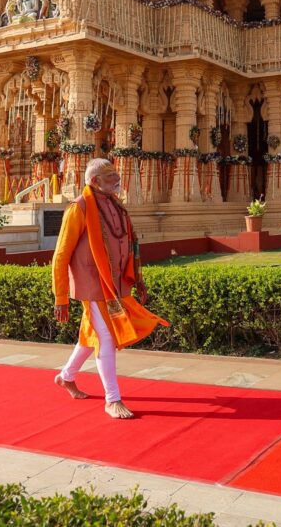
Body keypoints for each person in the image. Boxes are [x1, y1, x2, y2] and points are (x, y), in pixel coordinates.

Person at [52, 158, 167, 418]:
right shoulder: (79, 208)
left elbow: (128, 245)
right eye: (110, 176)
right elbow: (60, 255)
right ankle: (112, 399)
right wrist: (61, 297)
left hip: (116, 285)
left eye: (116, 174)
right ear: (95, 181)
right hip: (94, 285)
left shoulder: (116, 205)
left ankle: (66, 376)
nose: (117, 180)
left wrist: (137, 279)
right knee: (106, 338)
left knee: (91, 335)